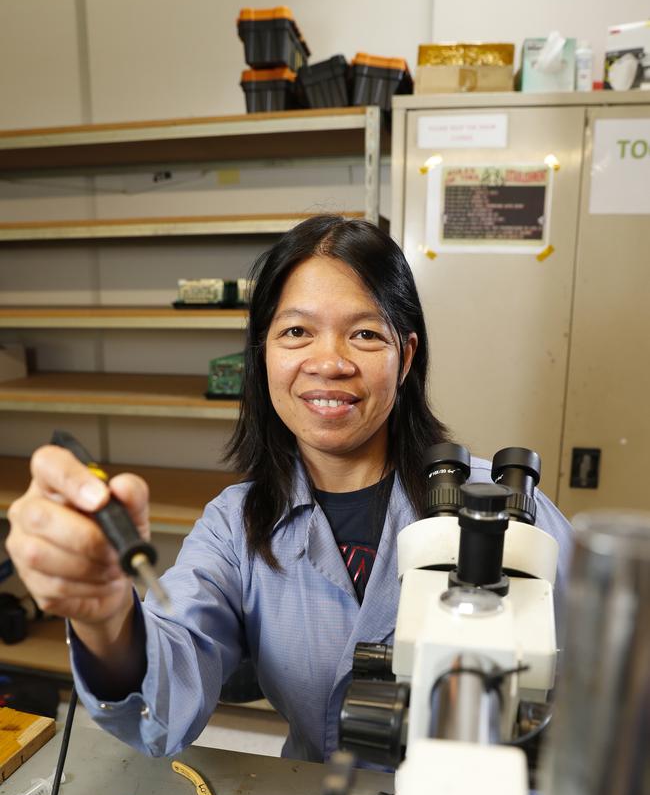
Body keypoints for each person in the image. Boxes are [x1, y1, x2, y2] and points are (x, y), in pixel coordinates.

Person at [6, 215, 573, 763]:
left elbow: (610, 681)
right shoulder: (237, 526)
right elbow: (167, 696)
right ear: (264, 353)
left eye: (365, 333)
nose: (329, 362)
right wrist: (105, 619)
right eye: (297, 331)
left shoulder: (504, 512)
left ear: (406, 358)